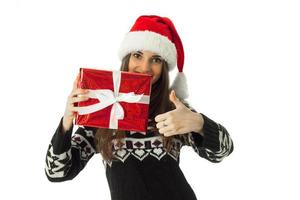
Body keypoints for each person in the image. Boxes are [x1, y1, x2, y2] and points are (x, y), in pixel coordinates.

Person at [44, 15, 234, 200]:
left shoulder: (173, 110)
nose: (145, 68)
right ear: (127, 58)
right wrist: (67, 121)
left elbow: (222, 152)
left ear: (164, 67)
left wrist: (199, 123)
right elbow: (57, 172)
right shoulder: (103, 112)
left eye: (156, 59)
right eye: (138, 55)